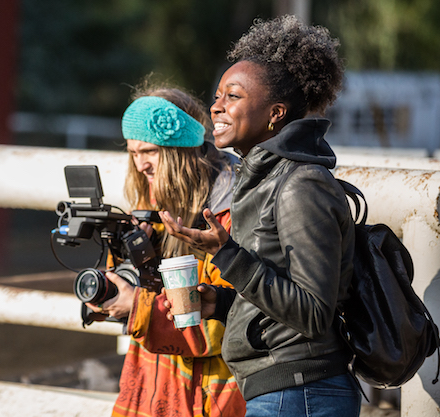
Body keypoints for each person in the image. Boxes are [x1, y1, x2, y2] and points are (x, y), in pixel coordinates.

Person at [158, 15, 361, 417]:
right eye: (217, 96)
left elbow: (313, 313)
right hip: (282, 391)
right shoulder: (262, 178)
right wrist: (224, 302)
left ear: (275, 113)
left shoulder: (302, 184)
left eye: (232, 96)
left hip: (301, 392)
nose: (216, 106)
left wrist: (228, 256)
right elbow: (282, 298)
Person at [88, 82, 246, 417]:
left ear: (181, 151)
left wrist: (139, 309)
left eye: (150, 152)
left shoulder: (226, 214)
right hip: (152, 389)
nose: (141, 165)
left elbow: (218, 327)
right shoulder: (152, 209)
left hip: (210, 395)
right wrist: (125, 270)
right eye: (133, 153)